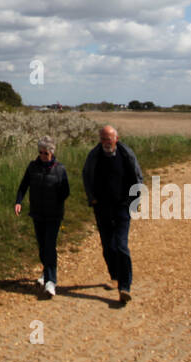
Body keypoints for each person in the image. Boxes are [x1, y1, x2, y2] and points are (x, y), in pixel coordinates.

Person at [82, 125, 143, 303]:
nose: (105, 142)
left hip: (123, 206)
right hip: (102, 207)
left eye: (108, 139)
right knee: (108, 246)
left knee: (121, 245)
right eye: (102, 139)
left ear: (116, 138)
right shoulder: (94, 155)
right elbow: (86, 175)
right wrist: (91, 197)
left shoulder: (126, 154)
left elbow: (137, 177)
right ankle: (114, 276)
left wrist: (136, 200)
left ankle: (125, 287)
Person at [15, 136, 70, 296]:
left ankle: (50, 282)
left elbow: (65, 191)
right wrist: (19, 201)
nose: (42, 155)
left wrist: (56, 203)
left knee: (49, 246)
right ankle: (46, 272)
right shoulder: (33, 167)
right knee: (41, 246)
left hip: (54, 215)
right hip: (37, 213)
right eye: (40, 152)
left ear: (51, 152)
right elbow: (23, 185)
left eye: (45, 153)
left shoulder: (60, 169)